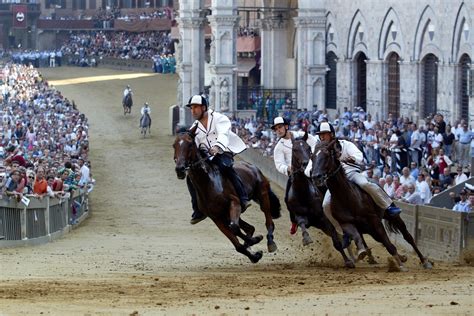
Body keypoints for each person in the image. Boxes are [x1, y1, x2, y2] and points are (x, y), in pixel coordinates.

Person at [305, 122, 401, 235]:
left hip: (351, 173)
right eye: (320, 135)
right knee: (325, 205)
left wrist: (352, 159)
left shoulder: (345, 144)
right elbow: (308, 169)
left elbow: (359, 155)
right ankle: (342, 231)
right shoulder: (318, 150)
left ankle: (388, 207)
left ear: (332, 134)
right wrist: (312, 170)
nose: (322, 137)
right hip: (334, 181)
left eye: (324, 134)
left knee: (366, 184)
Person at [185, 94, 250, 224]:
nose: (193, 111)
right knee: (190, 177)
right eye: (191, 108)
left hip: (223, 150)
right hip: (207, 156)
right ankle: (197, 209)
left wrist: (217, 147)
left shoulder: (219, 118)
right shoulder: (195, 127)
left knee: (224, 166)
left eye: (196, 107)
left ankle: (243, 197)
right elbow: (195, 145)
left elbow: (223, 135)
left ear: (204, 108)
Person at [271, 116, 319, 234]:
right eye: (276, 129)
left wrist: (312, 159)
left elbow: (315, 144)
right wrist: (287, 168)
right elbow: (278, 165)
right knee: (288, 198)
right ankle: (294, 220)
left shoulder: (301, 135)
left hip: (309, 169)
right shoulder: (279, 147)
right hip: (295, 174)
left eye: (280, 127)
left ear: (286, 127)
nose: (278, 130)